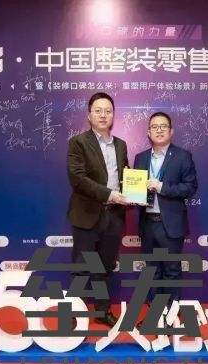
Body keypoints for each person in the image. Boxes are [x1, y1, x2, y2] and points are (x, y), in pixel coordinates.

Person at [66, 92, 129, 327]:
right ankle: (72, 316)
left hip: (114, 215)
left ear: (113, 115)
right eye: (98, 110)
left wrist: (134, 192)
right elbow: (77, 178)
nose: (103, 115)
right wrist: (109, 194)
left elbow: (125, 175)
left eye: (108, 111)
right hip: (87, 214)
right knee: (82, 269)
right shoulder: (78, 142)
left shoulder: (121, 145)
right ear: (89, 115)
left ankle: (102, 312)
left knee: (105, 268)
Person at [133, 111, 198, 308]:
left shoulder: (183, 156)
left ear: (171, 131)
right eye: (154, 126)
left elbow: (190, 187)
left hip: (170, 224)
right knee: (151, 271)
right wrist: (133, 196)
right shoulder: (140, 158)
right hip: (148, 224)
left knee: (171, 270)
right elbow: (136, 189)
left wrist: (161, 187)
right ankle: (156, 315)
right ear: (148, 132)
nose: (159, 130)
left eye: (163, 126)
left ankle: (170, 314)